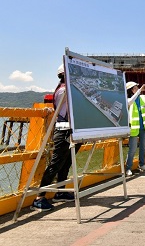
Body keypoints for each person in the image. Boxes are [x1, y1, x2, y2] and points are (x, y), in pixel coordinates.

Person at [32, 64, 82, 211]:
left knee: (66, 163)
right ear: (64, 75)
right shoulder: (63, 90)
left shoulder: (70, 89)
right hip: (63, 130)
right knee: (56, 163)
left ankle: (61, 192)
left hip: (73, 130)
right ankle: (39, 198)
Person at [125, 81, 145, 176]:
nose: (138, 88)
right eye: (135, 87)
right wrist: (140, 90)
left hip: (143, 127)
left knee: (143, 147)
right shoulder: (128, 100)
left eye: (137, 87)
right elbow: (130, 101)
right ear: (131, 90)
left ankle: (142, 165)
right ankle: (128, 168)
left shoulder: (143, 98)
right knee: (132, 148)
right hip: (134, 128)